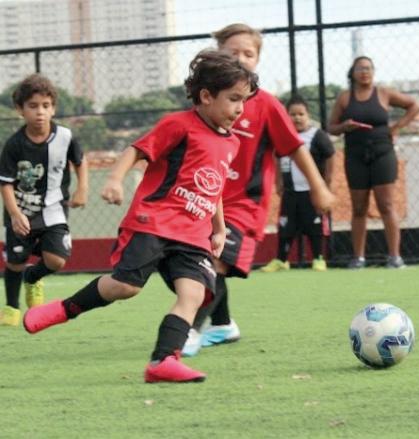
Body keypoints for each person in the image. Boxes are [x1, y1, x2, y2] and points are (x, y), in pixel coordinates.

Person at [23, 49, 259, 384]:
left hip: (193, 234)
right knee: (125, 287)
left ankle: (163, 361)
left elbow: (214, 186)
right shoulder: (178, 125)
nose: (240, 108)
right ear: (206, 96)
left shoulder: (231, 142)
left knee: (194, 294)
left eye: (245, 100)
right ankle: (64, 309)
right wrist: (116, 179)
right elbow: (136, 150)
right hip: (155, 222)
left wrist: (218, 228)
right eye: (234, 99)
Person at [182, 24, 334, 357]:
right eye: (231, 52)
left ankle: (188, 332)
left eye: (248, 54)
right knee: (198, 260)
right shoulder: (205, 102)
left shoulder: (266, 104)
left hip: (244, 206)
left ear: (258, 60)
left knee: (213, 262)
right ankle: (222, 325)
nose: (240, 59)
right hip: (206, 202)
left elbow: (294, 148)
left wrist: (318, 187)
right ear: (217, 55)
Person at [0, 73, 88, 327]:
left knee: (57, 259)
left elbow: (81, 162)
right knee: (15, 261)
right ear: (20, 109)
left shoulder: (66, 137)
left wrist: (82, 189)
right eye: (33, 106)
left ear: (53, 108)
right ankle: (11, 307)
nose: (40, 112)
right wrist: (15, 215)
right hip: (21, 211)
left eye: (46, 106)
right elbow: (5, 182)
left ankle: (33, 275)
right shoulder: (14, 145)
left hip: (54, 209)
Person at [328, 56, 419, 269]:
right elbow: (331, 127)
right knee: (359, 207)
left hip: (382, 154)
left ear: (374, 72)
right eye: (360, 68)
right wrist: (344, 126)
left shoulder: (384, 93)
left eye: (368, 68)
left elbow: (414, 105)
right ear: (352, 73)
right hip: (355, 156)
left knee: (386, 205)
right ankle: (358, 258)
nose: (365, 72)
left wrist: (397, 126)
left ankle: (395, 257)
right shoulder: (344, 98)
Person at [261, 95, 335, 273]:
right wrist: (278, 180)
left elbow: (331, 154)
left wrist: (326, 182)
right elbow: (277, 157)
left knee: (314, 226)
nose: (297, 118)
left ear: (308, 115)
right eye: (292, 114)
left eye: (301, 114)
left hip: (311, 191)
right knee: (286, 225)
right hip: (290, 191)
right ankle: (281, 260)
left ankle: (318, 258)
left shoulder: (317, 135)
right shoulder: (283, 136)